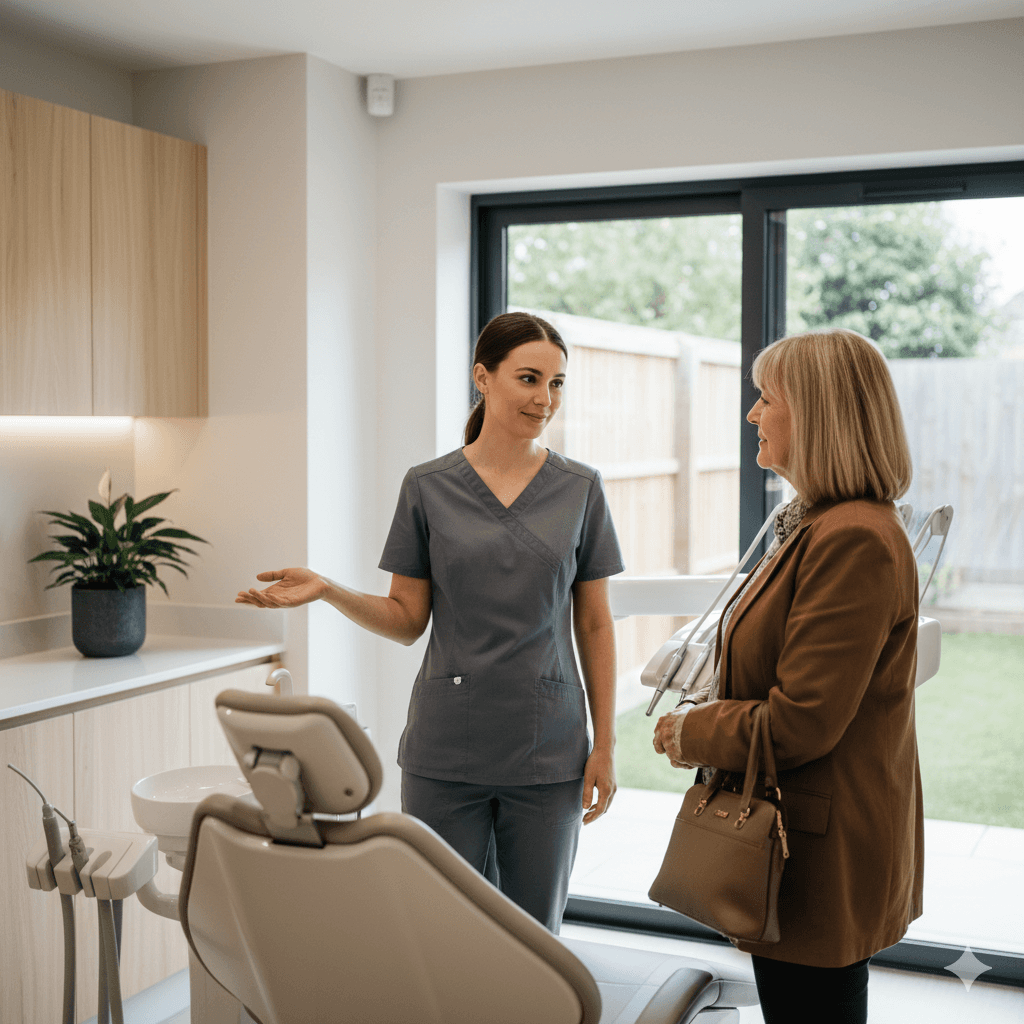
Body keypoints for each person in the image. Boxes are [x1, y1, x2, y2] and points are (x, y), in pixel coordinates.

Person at [237, 311, 624, 933]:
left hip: (547, 750)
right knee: (442, 931)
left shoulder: (581, 489)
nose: (543, 398)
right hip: (447, 749)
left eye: (556, 383)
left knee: (534, 937)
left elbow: (597, 626)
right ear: (483, 377)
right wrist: (330, 590)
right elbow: (406, 619)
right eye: (529, 378)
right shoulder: (427, 487)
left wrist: (605, 744)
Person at [653, 327, 922, 1024]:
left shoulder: (853, 537)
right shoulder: (818, 525)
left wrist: (691, 730)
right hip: (800, 839)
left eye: (766, 399)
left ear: (818, 414)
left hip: (819, 854)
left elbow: (801, 719)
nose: (752, 415)